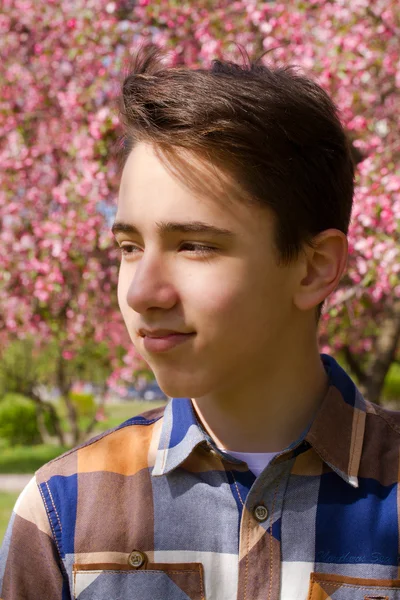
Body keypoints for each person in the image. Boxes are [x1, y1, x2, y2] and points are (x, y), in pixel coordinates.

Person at [1, 45, 399, 600]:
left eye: (194, 245)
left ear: (313, 268)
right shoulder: (63, 514)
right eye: (129, 246)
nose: (141, 292)